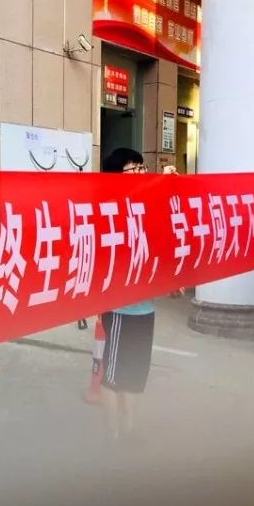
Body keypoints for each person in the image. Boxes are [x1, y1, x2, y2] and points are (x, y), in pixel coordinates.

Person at [90, 148, 175, 438]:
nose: (141, 173)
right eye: (134, 169)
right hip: (120, 309)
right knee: (114, 377)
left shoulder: (144, 208)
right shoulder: (110, 209)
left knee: (134, 375)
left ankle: (129, 431)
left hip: (145, 308)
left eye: (142, 167)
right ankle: (112, 436)